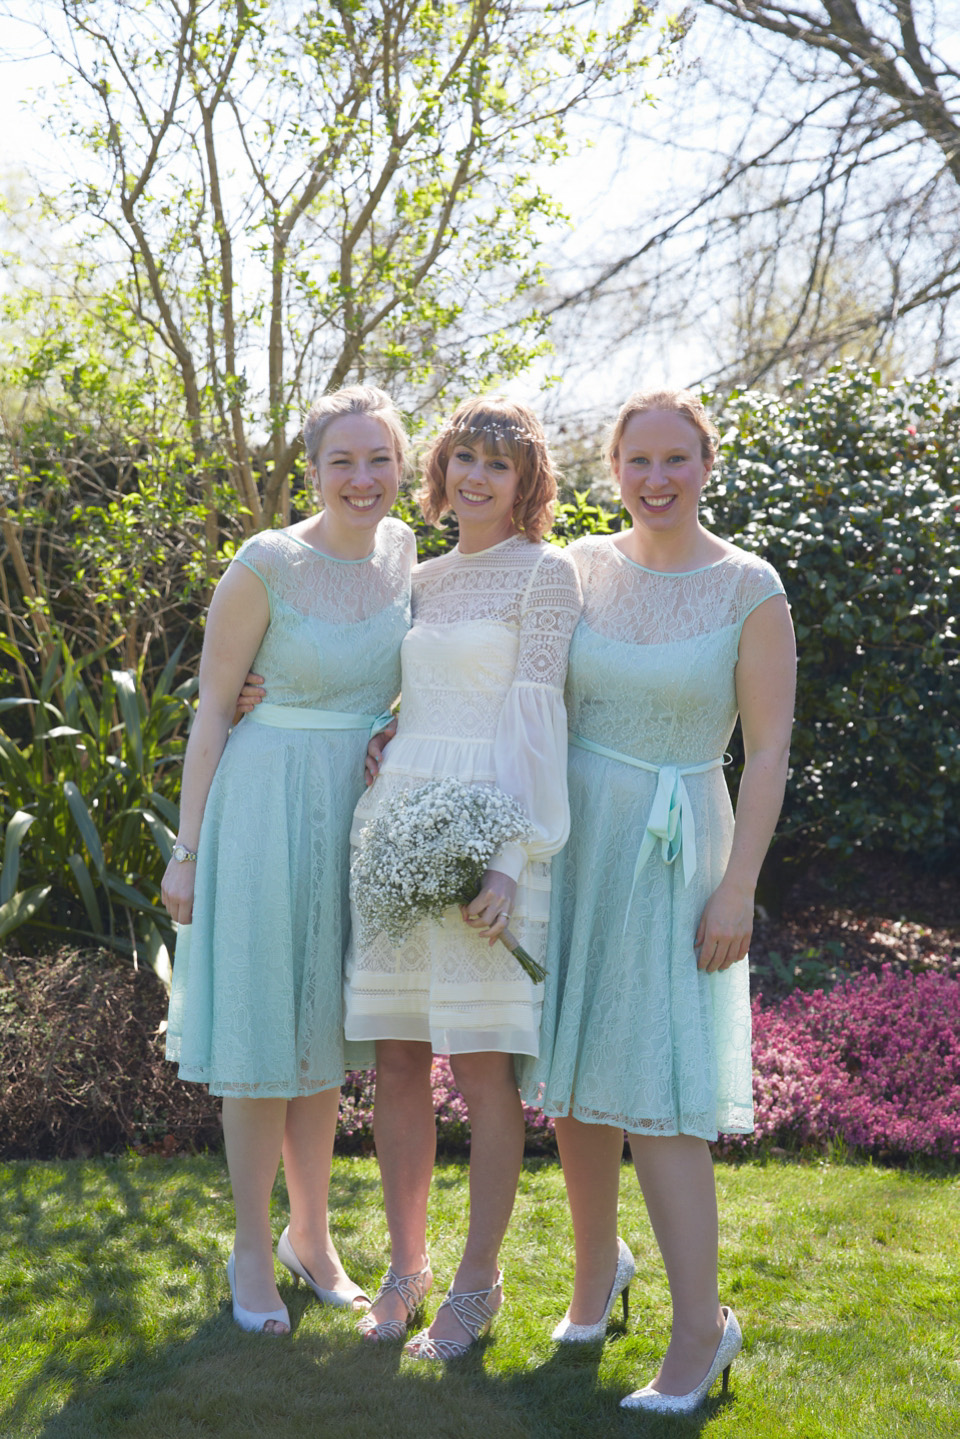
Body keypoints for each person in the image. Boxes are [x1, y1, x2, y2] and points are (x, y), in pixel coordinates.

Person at [519, 389, 796, 1413]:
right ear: (613, 465)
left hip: (680, 846)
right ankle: (597, 1278)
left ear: (706, 463)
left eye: (675, 458)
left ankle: (700, 1329)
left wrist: (739, 887)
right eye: (637, 459)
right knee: (576, 1075)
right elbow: (501, 678)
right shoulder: (578, 569)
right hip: (576, 836)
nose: (656, 478)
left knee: (660, 1093)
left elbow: (765, 750)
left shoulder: (748, 586)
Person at [161, 386, 416, 1335]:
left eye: (378, 459)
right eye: (342, 461)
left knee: (321, 1038)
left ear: (400, 465)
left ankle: (317, 1239)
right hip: (264, 808)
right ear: (312, 470)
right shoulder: (265, 563)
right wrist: (186, 853)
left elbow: (413, 678)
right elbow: (211, 711)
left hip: (357, 814)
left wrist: (396, 732)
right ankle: (251, 1249)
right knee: (267, 1040)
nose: (362, 479)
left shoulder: (403, 556)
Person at [346, 396, 581, 1360]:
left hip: (492, 831)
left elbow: (535, 716)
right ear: (439, 473)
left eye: (499, 463)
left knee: (485, 1069)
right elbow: (389, 680)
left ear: (526, 482)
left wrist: (510, 858)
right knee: (399, 1059)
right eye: (463, 460)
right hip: (396, 824)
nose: (477, 477)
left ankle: (478, 1284)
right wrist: (379, 732)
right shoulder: (421, 579)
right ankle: (407, 1269)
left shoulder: (548, 574)